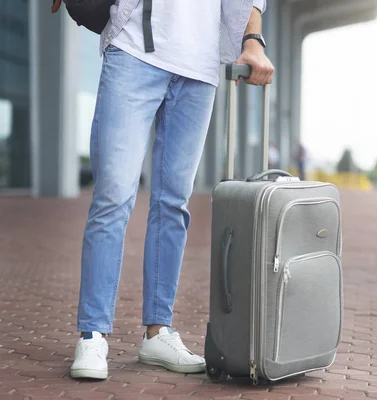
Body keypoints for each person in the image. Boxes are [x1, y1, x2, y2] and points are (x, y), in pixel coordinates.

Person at [67, 0, 275, 380]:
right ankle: (93, 333)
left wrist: (253, 39)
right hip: (134, 51)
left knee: (173, 203)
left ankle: (158, 332)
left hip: (199, 66)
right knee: (113, 197)